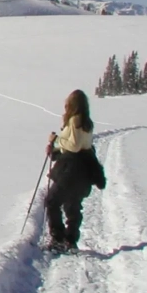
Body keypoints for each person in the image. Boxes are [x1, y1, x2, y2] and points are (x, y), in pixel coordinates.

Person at [44, 89, 106, 253]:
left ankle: (58, 238)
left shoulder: (75, 120)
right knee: (73, 204)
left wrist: (56, 140)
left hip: (71, 168)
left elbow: (74, 146)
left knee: (52, 201)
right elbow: (81, 145)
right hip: (84, 168)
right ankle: (70, 240)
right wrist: (58, 149)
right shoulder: (86, 122)